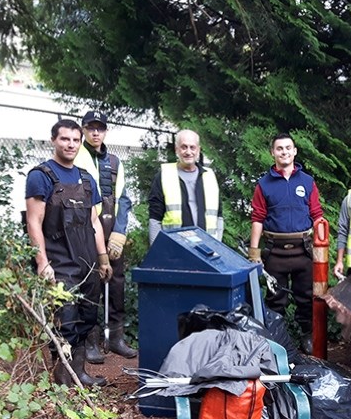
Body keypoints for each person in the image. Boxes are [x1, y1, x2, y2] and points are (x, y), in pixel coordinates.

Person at [25, 119, 112, 386]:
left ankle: (80, 373)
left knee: (87, 317)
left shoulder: (86, 179)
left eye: (75, 140)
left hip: (87, 262)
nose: (70, 144)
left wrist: (103, 258)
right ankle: (62, 378)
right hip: (59, 262)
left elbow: (94, 222)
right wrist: (42, 263)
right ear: (54, 140)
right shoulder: (41, 176)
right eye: (65, 139)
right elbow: (33, 222)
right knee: (65, 320)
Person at [249, 133, 324, 353]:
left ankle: (308, 336)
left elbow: (317, 215)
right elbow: (257, 218)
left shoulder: (307, 182)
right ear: (272, 153)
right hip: (275, 253)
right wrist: (254, 252)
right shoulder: (263, 185)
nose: (284, 152)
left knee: (306, 298)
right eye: (279, 148)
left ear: (295, 151)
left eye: (288, 148)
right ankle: (276, 341)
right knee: (275, 300)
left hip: (304, 251)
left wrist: (321, 248)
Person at [73, 111, 138, 363]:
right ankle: (89, 339)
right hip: (85, 231)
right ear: (84, 130)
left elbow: (123, 199)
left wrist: (120, 233)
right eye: (91, 128)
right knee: (91, 284)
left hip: (112, 231)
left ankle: (116, 337)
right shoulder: (75, 157)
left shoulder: (114, 161)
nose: (95, 133)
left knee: (117, 283)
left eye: (100, 128)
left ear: (105, 131)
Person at [148, 129, 223, 244]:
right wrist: (158, 251)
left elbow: (218, 217)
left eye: (192, 147)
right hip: (175, 249)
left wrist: (218, 246)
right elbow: (155, 219)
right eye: (184, 147)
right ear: (176, 149)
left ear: (198, 149)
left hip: (207, 248)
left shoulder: (210, 176)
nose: (188, 152)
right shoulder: (164, 175)